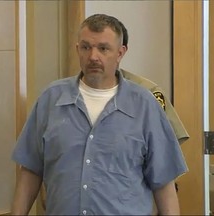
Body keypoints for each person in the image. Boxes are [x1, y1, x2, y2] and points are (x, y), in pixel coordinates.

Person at [11, 14, 188, 215]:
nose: (93, 56)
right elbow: (30, 172)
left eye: (103, 49)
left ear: (120, 53)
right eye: (86, 47)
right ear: (78, 49)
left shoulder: (145, 104)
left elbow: (164, 183)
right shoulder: (51, 100)